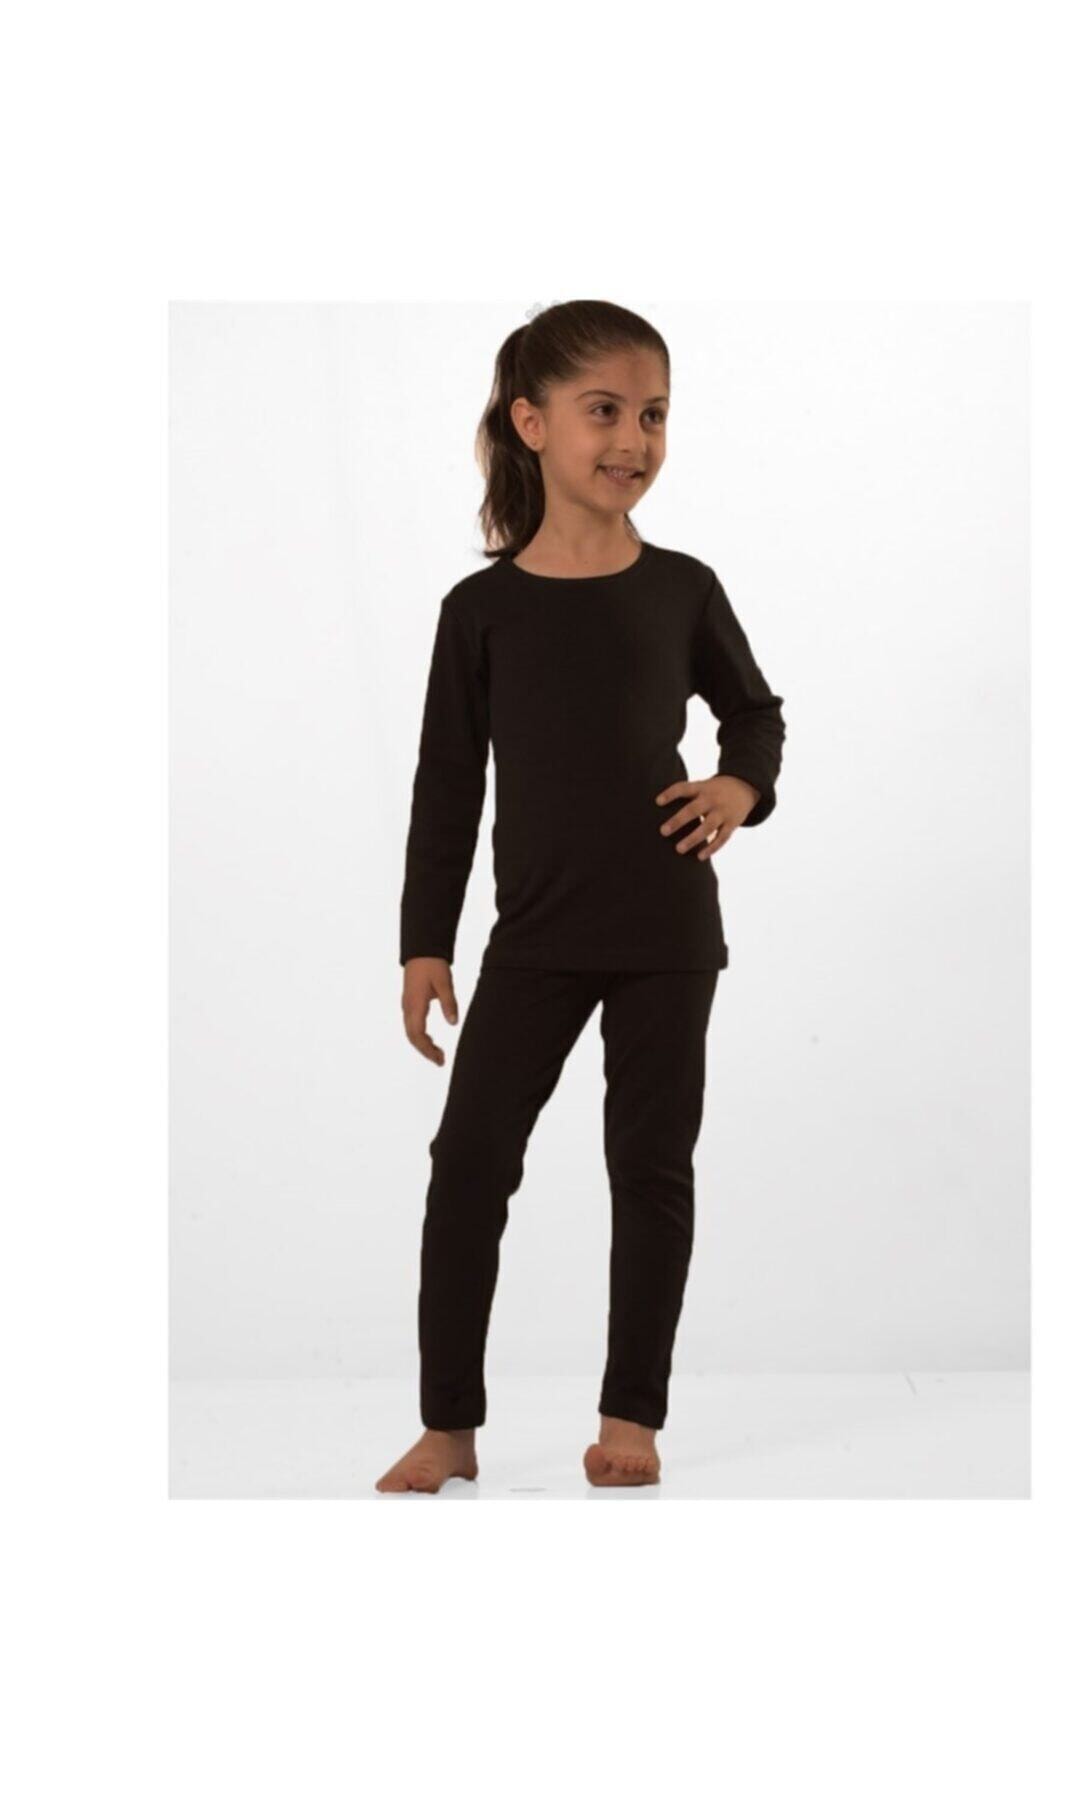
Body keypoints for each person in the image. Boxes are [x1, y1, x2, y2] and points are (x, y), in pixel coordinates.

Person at [375, 300, 785, 1493]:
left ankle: (631, 1418)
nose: (633, 439)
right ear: (531, 422)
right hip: (537, 938)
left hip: (667, 932)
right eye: (604, 411)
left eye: (653, 414)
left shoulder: (683, 588)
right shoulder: (481, 613)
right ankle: (448, 1427)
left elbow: (754, 712)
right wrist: (424, 943)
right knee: (468, 1166)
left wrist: (740, 787)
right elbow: (447, 787)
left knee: (649, 1170)